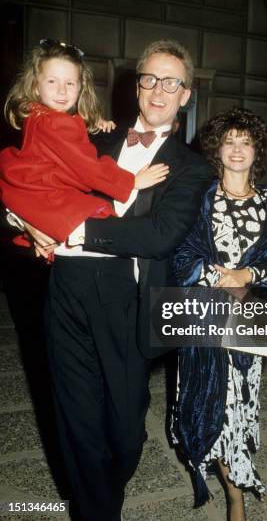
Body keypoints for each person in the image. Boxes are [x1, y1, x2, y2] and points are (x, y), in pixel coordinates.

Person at [8, 39, 213, 521]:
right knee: (76, 419)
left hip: (129, 300)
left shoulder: (192, 167)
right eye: (150, 79)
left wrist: (70, 229)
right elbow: (27, 177)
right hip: (68, 289)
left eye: (172, 82)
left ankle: (105, 491)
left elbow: (159, 234)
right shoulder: (88, 136)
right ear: (135, 85)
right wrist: (24, 220)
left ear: (186, 95)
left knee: (123, 430)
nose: (159, 90)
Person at [171, 108, 267, 521]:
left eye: (245, 141)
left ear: (256, 149)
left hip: (253, 318)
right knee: (214, 406)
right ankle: (235, 494)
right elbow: (180, 254)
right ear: (217, 149)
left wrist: (250, 273)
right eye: (230, 141)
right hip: (205, 316)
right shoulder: (199, 198)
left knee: (243, 403)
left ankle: (234, 479)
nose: (237, 149)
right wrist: (216, 276)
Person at [0, 38, 168, 246]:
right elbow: (87, 167)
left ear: (80, 88)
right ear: (35, 86)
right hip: (47, 196)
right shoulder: (55, 124)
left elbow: (62, 142)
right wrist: (132, 182)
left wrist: (91, 124)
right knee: (105, 221)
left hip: (29, 191)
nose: (62, 91)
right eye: (52, 81)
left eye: (70, 83)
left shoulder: (37, 116)